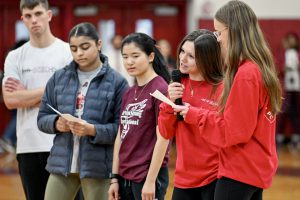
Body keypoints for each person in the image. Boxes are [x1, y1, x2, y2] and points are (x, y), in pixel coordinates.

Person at [172, 1, 282, 199]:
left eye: (218, 32)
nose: (218, 39)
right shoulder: (257, 67)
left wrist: (193, 114)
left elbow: (234, 131)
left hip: (241, 169)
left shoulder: (246, 73)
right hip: (254, 168)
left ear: (232, 31)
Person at [37, 22, 128, 200]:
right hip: (62, 164)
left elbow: (123, 129)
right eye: (74, 48)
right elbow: (42, 118)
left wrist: (92, 130)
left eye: (85, 47)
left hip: (98, 167)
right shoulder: (59, 78)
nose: (79, 53)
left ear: (99, 45)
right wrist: (57, 123)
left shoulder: (117, 82)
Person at [2, 0, 72, 199]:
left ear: (49, 15)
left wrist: (27, 94)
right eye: (28, 15)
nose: (34, 20)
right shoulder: (15, 57)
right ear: (22, 19)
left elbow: (69, 99)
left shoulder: (67, 52)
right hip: (28, 145)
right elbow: (10, 100)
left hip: (63, 143)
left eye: (38, 13)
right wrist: (53, 92)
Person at [158, 30, 223, 200]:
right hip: (183, 178)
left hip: (215, 176)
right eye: (182, 52)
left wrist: (194, 114)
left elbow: (225, 130)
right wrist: (168, 103)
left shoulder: (222, 87)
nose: (182, 59)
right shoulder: (177, 85)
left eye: (191, 56)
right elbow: (165, 133)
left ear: (207, 59)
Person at [108, 32, 171, 200]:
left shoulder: (161, 89)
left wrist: (150, 181)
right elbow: (120, 136)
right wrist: (114, 177)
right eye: (125, 56)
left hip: (148, 176)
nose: (129, 62)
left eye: (135, 56)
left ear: (150, 56)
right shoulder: (129, 92)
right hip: (124, 176)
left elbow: (163, 139)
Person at [0, 39, 28, 154]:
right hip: (17, 96)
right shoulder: (15, 59)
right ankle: (8, 138)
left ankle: (13, 140)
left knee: (18, 116)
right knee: (18, 116)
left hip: (19, 96)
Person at [276, 32, 300, 148]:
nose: (291, 42)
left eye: (292, 40)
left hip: (296, 87)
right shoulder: (282, 54)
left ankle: (296, 137)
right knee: (284, 111)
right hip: (286, 88)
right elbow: (278, 69)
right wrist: (283, 68)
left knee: (295, 112)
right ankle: (279, 137)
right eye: (288, 40)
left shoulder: (297, 54)